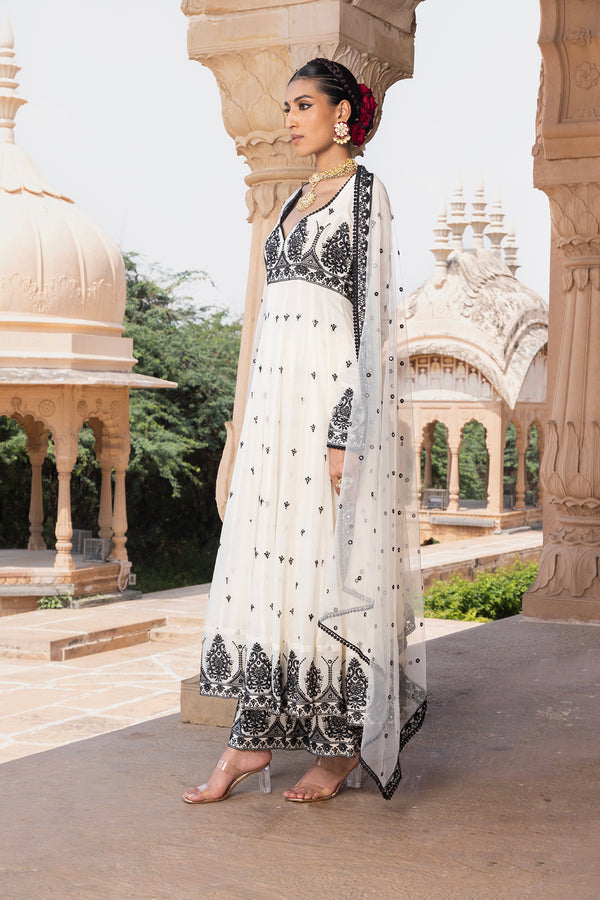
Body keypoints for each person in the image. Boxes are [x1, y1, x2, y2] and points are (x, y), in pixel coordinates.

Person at [183, 57, 426, 804]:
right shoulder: (291, 199)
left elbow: (376, 325)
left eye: (302, 106)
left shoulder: (365, 197)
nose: (289, 120)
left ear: (342, 114)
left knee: (327, 568)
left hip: (327, 411)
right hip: (273, 416)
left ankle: (340, 746)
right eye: (286, 107)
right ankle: (250, 740)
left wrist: (345, 431)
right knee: (271, 566)